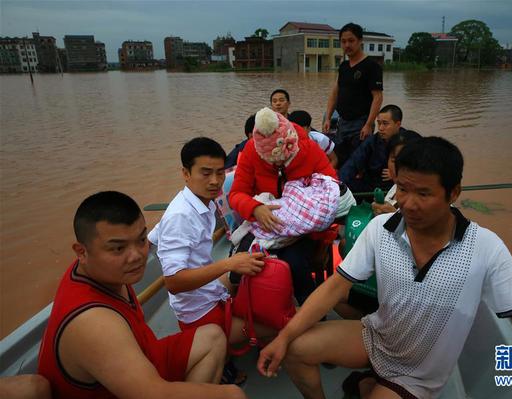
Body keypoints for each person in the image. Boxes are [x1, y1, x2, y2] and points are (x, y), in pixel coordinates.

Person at [257, 137, 512, 399]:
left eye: (424, 193)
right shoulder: (381, 228)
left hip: (418, 371)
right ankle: (366, 383)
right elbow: (335, 288)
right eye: (402, 188)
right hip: (376, 336)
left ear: (453, 193)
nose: (408, 203)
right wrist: (284, 337)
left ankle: (368, 385)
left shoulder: (486, 248)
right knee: (295, 350)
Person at [37, 191, 245, 399]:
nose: (136, 256)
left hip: (145, 356)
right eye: (118, 248)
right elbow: (152, 394)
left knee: (213, 336)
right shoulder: (93, 323)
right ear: (81, 252)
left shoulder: (101, 270)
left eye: (141, 240)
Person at [148, 137, 273, 344]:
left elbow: (154, 235)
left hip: (209, 291)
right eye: (205, 173)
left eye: (220, 172)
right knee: (274, 328)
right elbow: (174, 283)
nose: (215, 181)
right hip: (198, 311)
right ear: (186, 174)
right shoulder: (180, 216)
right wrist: (229, 263)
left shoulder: (200, 203)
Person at [229, 107, 337, 305]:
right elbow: (236, 194)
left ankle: (308, 309)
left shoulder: (310, 149)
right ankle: (264, 309)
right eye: (272, 162)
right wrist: (255, 209)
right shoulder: (251, 152)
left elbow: (331, 190)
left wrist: (320, 233)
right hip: (265, 224)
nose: (279, 165)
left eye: (284, 161)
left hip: (304, 231)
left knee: (293, 262)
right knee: (245, 263)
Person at [323, 22, 383, 168]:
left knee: (358, 164)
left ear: (360, 41)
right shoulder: (344, 66)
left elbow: (378, 97)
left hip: (361, 123)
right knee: (340, 158)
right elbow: (335, 92)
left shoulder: (371, 66)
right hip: (342, 122)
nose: (347, 45)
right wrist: (328, 118)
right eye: (343, 41)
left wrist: (368, 124)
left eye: (351, 41)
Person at [339, 104, 405, 194]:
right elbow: (353, 162)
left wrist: (398, 174)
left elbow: (419, 169)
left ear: (398, 124)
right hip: (372, 184)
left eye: (385, 124)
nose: (381, 128)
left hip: (396, 185)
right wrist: (339, 185)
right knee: (345, 183)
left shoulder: (409, 140)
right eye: (379, 123)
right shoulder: (372, 141)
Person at [371, 129, 422, 216]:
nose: (399, 167)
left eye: (405, 161)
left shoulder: (433, 198)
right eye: (394, 160)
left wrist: (394, 215)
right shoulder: (395, 188)